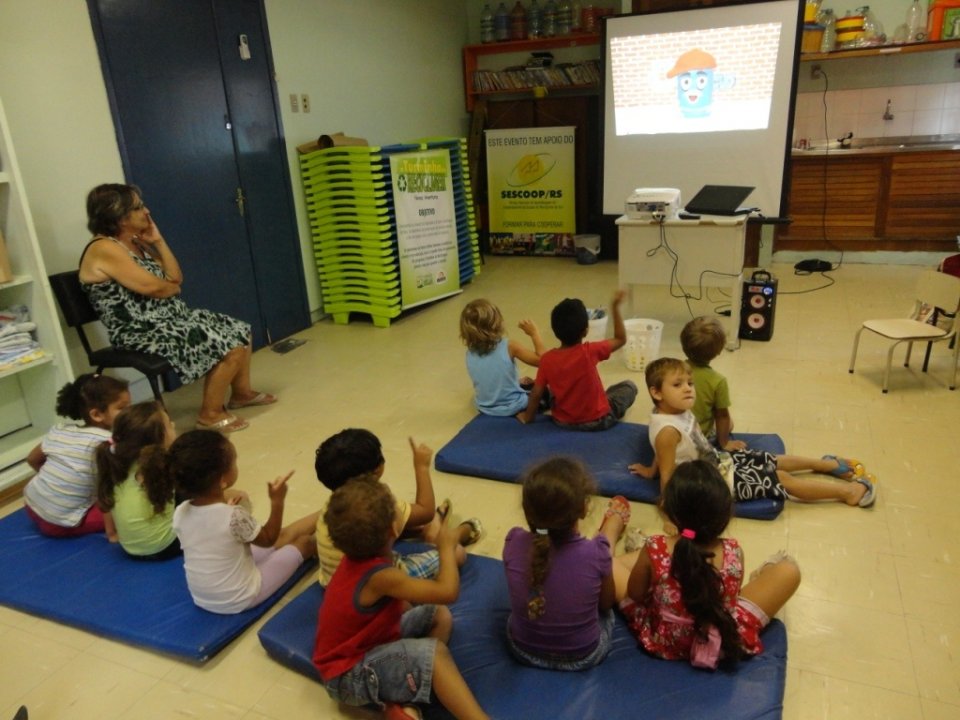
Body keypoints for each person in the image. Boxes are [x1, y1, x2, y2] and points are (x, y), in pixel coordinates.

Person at [78, 183, 276, 433]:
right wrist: (168, 287)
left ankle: (241, 394)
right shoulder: (103, 247)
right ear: (118, 216)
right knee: (232, 345)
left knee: (240, 329)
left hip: (170, 319)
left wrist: (158, 241)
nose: (147, 211)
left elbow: (175, 278)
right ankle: (210, 414)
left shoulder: (136, 243)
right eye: (138, 207)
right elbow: (159, 288)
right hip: (140, 332)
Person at [314, 478, 490, 720]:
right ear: (394, 530)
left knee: (438, 615)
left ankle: (405, 700)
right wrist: (446, 546)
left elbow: (400, 606)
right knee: (435, 654)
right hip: (348, 675)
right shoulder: (381, 576)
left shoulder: (360, 555)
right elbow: (448, 591)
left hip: (370, 645)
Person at [620, 460, 801, 669]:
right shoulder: (734, 551)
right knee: (788, 570)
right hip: (722, 639)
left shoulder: (655, 548)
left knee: (615, 566)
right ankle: (759, 576)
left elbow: (635, 594)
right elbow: (731, 600)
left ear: (668, 510)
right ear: (725, 514)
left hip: (668, 642)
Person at [629, 357, 877, 508]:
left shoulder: (675, 410)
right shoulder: (667, 432)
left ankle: (825, 466)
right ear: (657, 393)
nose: (688, 390)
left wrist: (650, 469)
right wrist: (669, 511)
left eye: (689, 384)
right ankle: (849, 493)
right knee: (780, 478)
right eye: (677, 385)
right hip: (709, 483)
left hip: (716, 462)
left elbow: (662, 456)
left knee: (768, 459)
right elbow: (668, 476)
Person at [167, 430, 318, 614]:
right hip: (240, 598)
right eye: (234, 462)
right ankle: (326, 515)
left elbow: (211, 534)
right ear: (222, 480)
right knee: (304, 543)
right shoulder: (233, 516)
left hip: (202, 597)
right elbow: (269, 538)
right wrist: (277, 501)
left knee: (284, 537)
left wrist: (225, 508)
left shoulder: (180, 511)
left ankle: (324, 510)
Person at [502, 456, 630, 670]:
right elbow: (605, 605)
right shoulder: (596, 551)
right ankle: (611, 529)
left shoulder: (514, 541)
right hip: (582, 656)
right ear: (583, 509)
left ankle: (610, 533)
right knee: (606, 569)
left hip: (522, 650)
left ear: (527, 511)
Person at [314, 428, 481, 586]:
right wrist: (421, 467)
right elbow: (425, 511)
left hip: (332, 582)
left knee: (403, 523)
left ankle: (429, 531)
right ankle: (457, 534)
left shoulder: (333, 506)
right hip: (382, 584)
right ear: (377, 469)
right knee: (457, 552)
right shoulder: (378, 503)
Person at [23, 374, 131, 537]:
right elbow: (107, 492)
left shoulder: (60, 430)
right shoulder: (105, 444)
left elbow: (32, 459)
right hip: (59, 523)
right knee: (130, 509)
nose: (130, 412)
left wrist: (61, 482)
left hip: (31, 505)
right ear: (96, 415)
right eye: (122, 408)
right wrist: (112, 532)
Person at [519, 291, 638, 430]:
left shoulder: (547, 359)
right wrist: (615, 307)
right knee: (629, 386)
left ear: (555, 331)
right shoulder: (589, 351)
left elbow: (536, 394)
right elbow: (620, 339)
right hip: (598, 421)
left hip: (563, 422)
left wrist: (527, 418)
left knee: (549, 386)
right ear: (586, 331)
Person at [95, 400, 181, 560]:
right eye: (169, 425)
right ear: (160, 439)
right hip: (166, 547)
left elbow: (105, 500)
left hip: (130, 549)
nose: (174, 425)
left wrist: (112, 533)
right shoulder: (165, 465)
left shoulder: (115, 463)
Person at [459, 298, 546, 417]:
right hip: (516, 407)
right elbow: (544, 361)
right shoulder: (510, 346)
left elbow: (490, 373)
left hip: (485, 408)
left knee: (527, 383)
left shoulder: (469, 352)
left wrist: (514, 382)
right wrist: (534, 334)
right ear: (497, 322)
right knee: (548, 389)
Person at [680, 316, 745, 451]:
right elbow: (722, 416)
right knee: (730, 423)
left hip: (669, 432)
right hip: (697, 438)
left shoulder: (673, 370)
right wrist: (724, 443)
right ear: (719, 350)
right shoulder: (718, 381)